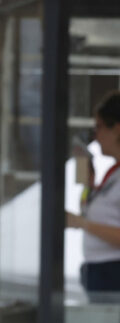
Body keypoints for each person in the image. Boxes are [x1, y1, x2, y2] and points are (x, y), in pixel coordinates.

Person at [67, 91, 120, 300]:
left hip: (112, 271)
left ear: (116, 129)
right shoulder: (112, 174)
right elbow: (89, 211)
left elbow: (86, 220)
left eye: (98, 127)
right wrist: (88, 183)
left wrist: (82, 224)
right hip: (98, 270)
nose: (95, 136)